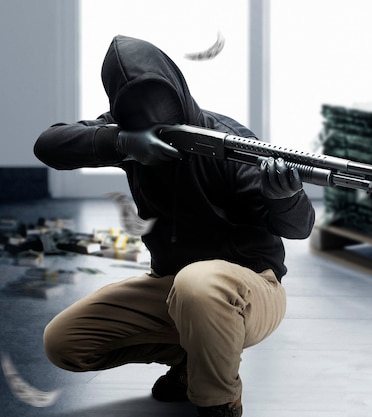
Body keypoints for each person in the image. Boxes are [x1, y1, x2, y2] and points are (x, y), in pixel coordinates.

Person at [34, 35, 315, 417]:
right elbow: (48, 144)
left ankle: (219, 400)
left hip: (251, 291)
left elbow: (299, 229)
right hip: (172, 287)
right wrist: (123, 143)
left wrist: (286, 198)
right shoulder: (125, 134)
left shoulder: (230, 144)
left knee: (198, 283)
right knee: (65, 342)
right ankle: (191, 360)